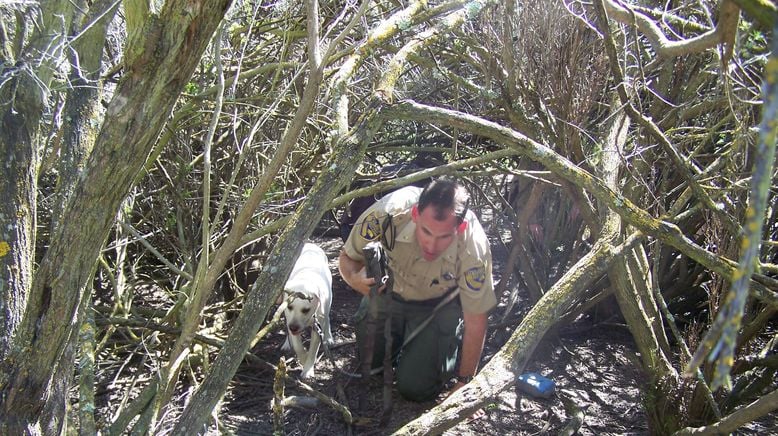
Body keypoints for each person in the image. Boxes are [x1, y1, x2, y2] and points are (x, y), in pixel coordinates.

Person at [338, 177, 496, 402]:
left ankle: (435, 344)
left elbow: (477, 318)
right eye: (426, 232)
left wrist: (465, 382)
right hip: (388, 295)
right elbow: (346, 258)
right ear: (415, 214)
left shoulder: (473, 247)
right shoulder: (387, 213)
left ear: (460, 227)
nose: (432, 246)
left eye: (443, 237)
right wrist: (354, 279)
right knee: (369, 367)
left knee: (415, 388)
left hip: (437, 306)